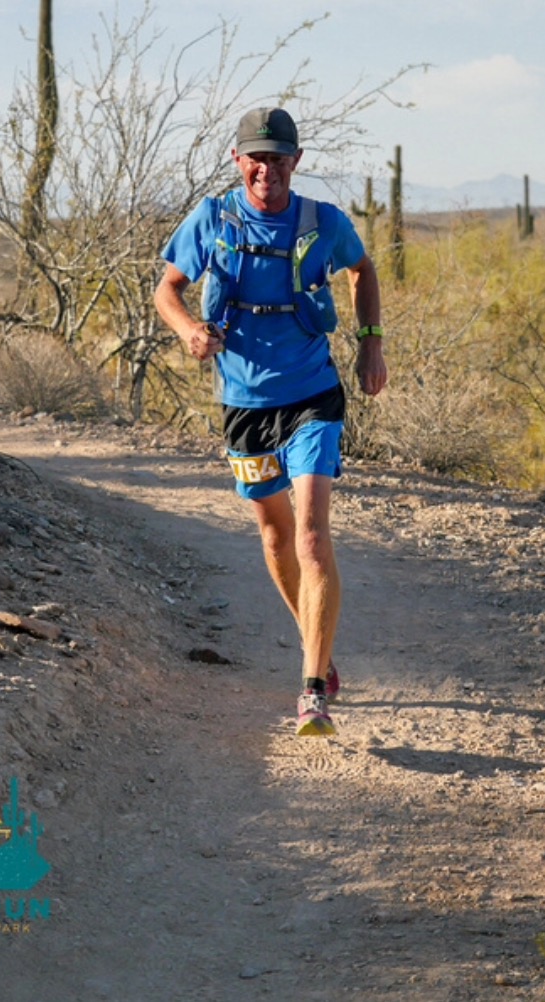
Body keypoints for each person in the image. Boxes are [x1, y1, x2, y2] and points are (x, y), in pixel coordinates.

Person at [154, 107, 387, 737]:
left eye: (278, 159)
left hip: (313, 394)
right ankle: (319, 645)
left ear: (296, 162)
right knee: (276, 533)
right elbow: (167, 289)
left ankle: (312, 691)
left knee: (310, 535)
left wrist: (371, 343)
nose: (267, 170)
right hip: (244, 403)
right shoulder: (213, 219)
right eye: (256, 158)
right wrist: (189, 331)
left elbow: (363, 270)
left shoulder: (323, 222)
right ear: (238, 161)